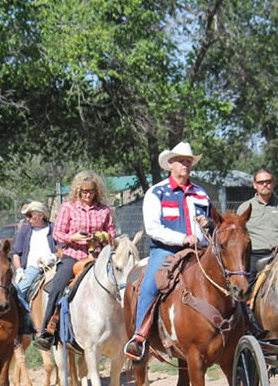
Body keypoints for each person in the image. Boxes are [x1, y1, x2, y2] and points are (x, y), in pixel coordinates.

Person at [124, 142, 214, 361]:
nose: (186, 164)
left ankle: (244, 326)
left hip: (200, 250)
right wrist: (182, 238)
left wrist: (208, 222)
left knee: (228, 278)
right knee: (150, 285)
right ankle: (140, 337)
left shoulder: (201, 194)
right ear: (170, 164)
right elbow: (153, 228)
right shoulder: (157, 192)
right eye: (181, 161)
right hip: (166, 251)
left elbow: (214, 223)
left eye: (188, 161)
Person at [34, 172, 118, 352]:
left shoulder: (104, 210)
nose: (88, 195)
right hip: (73, 256)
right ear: (78, 191)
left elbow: (113, 234)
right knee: (57, 287)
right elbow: (57, 233)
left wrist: (105, 237)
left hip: (97, 258)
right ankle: (47, 331)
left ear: (96, 191)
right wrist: (71, 237)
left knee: (119, 284)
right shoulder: (68, 208)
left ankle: (124, 330)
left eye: (91, 191)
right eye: (84, 191)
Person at [239, 168, 278, 277]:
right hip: (253, 257)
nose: (265, 185)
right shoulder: (244, 208)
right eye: (261, 182)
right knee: (247, 290)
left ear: (273, 183)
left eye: (268, 182)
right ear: (254, 185)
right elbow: (237, 235)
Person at [12, 201, 56, 301]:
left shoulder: (54, 228)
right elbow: (16, 253)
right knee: (18, 292)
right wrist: (19, 270)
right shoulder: (25, 231)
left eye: (30, 215)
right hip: (33, 269)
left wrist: (52, 257)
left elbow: (62, 249)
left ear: (40, 216)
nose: (28, 219)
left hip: (54, 267)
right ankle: (24, 314)